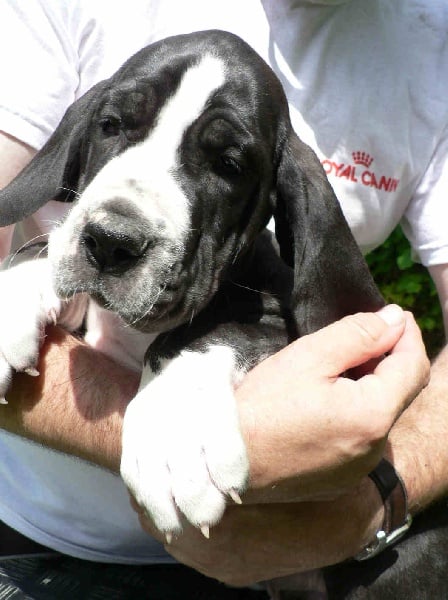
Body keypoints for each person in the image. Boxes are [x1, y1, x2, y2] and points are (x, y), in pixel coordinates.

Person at [0, 0, 445, 595]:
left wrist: (370, 504)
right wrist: (34, 280)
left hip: (295, 566)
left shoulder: (432, 47)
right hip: (41, 545)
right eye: (115, 126)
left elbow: (312, 331)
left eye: (227, 162)